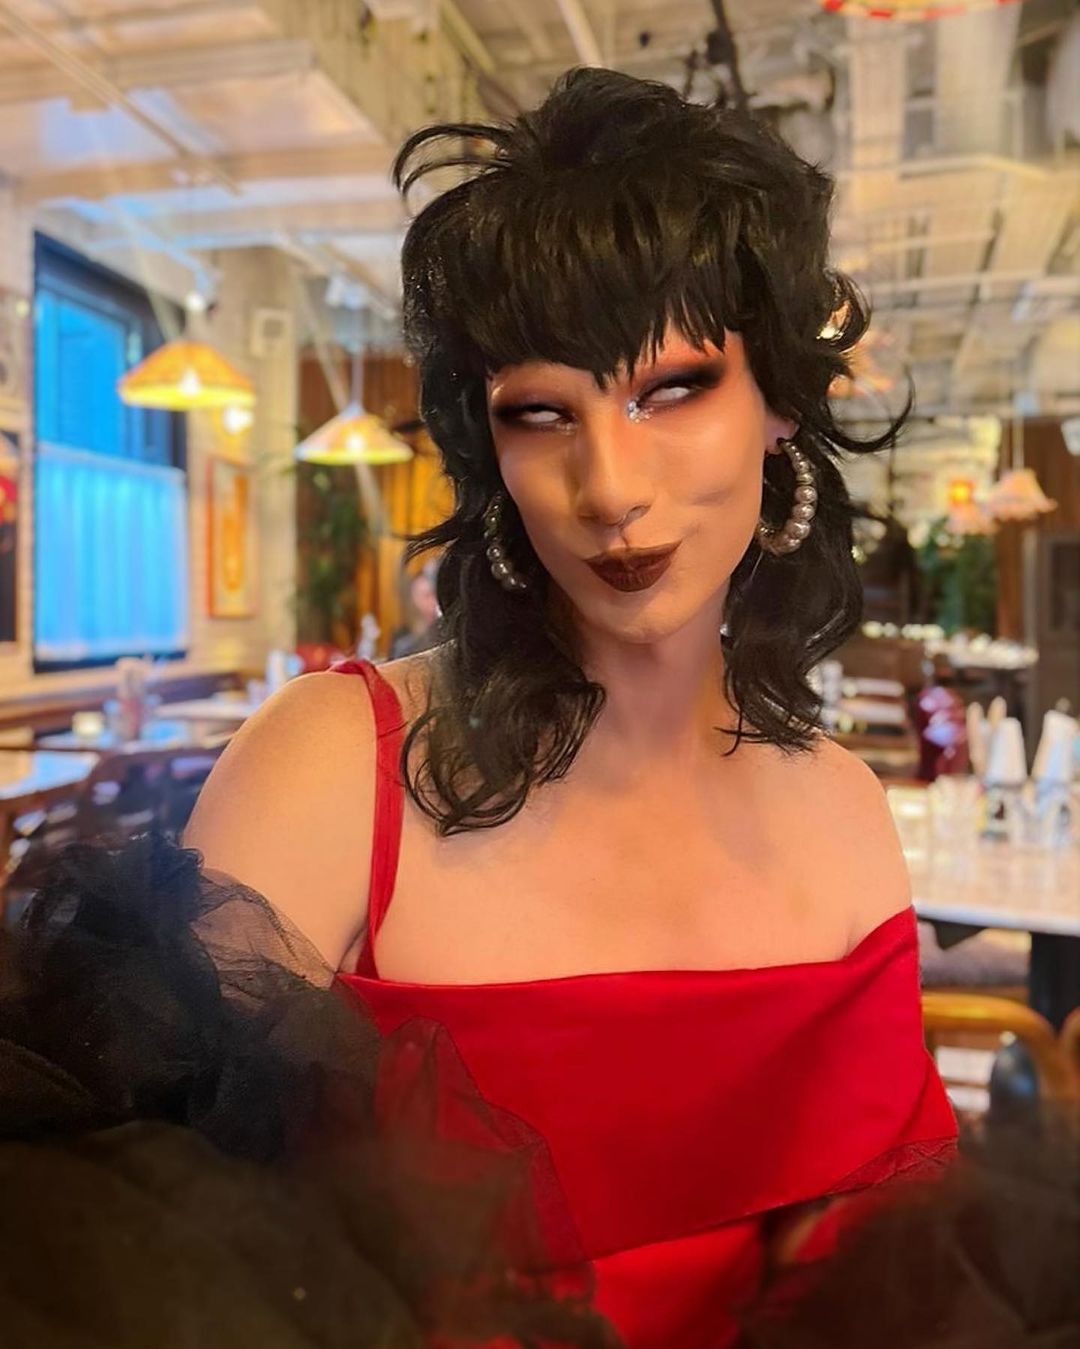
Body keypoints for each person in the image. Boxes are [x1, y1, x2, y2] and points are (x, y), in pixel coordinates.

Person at [188, 69, 956, 1348]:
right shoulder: (330, 769)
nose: (608, 486)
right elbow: (160, 1250)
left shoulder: (844, 812)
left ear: (779, 402)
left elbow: (879, 1266)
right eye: (542, 413)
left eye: (673, 389)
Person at [390, 560, 443, 659]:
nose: (434, 601)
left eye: (436, 594)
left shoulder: (444, 632)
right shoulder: (401, 639)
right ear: (414, 599)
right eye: (427, 596)